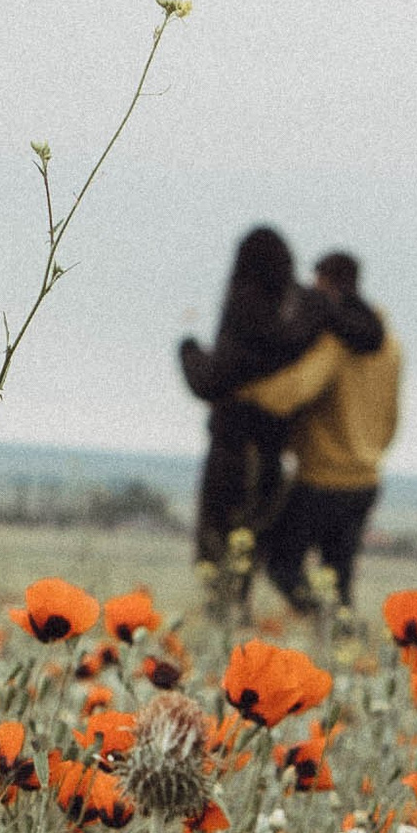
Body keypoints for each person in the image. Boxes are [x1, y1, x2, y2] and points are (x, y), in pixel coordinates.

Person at [240, 253, 402, 610]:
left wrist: (242, 389)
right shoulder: (391, 347)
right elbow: (392, 418)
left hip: (322, 478)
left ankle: (322, 622)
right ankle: (340, 642)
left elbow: (294, 392)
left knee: (282, 566)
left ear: (327, 284)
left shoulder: (336, 345)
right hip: (367, 478)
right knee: (339, 577)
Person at [176, 228, 322, 574]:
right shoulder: (303, 316)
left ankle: (227, 622)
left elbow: (212, 381)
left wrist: (189, 350)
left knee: (217, 557)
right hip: (275, 452)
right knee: (247, 553)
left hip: (232, 450)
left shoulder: (244, 314)